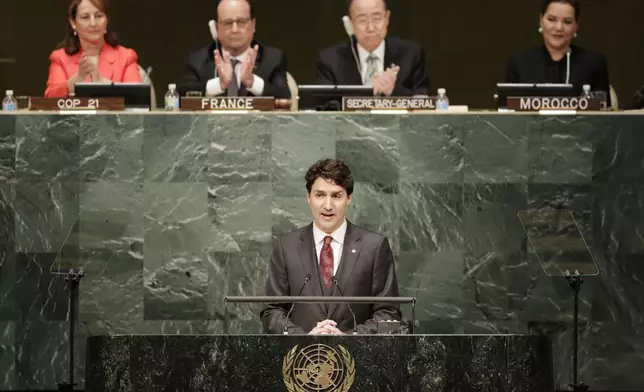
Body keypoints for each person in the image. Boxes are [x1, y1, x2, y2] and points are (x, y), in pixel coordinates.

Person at [260, 159, 401, 335]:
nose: (328, 206)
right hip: (300, 359)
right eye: (320, 195)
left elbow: (390, 315)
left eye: (336, 196)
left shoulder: (374, 246)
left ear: (348, 198)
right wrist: (304, 338)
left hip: (356, 358)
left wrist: (350, 338)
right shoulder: (286, 247)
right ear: (308, 197)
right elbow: (271, 312)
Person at [177, 0, 290, 98]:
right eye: (228, 23)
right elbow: (181, 95)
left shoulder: (273, 59)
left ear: (253, 24)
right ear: (216, 28)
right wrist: (218, 84)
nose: (234, 29)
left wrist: (252, 82)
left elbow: (285, 97)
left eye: (241, 22)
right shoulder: (197, 60)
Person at [505, 0, 611, 105]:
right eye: (551, 19)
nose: (559, 27)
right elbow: (508, 113)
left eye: (567, 22)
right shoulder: (519, 62)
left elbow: (604, 115)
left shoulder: (594, 63)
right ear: (541, 20)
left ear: (576, 26)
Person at [315, 0, 429, 97]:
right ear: (350, 24)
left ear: (387, 18)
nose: (370, 28)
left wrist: (393, 91)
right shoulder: (331, 60)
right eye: (362, 20)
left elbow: (423, 102)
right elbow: (324, 109)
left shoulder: (411, 54)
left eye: (377, 18)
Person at [44, 0, 142, 98]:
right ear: (73, 22)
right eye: (85, 17)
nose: (93, 23)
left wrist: (101, 82)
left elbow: (137, 98)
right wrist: (77, 79)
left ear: (107, 20)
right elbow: (50, 98)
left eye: (99, 16)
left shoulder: (126, 57)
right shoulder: (59, 58)